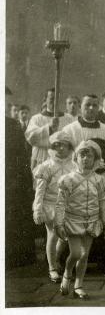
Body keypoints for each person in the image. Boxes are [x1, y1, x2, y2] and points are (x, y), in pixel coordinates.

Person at [62, 94, 105, 276]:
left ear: (99, 108)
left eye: (94, 106)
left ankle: (103, 262)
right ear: (81, 107)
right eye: (87, 105)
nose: (91, 109)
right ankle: (70, 262)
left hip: (100, 180)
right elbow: (64, 154)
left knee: (102, 217)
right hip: (77, 180)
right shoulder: (70, 129)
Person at [55, 140, 105, 299]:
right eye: (82, 155)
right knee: (76, 253)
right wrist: (59, 223)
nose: (86, 159)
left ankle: (79, 285)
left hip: (92, 222)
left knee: (85, 254)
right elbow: (60, 203)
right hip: (73, 221)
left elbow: (103, 202)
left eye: (90, 156)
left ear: (96, 159)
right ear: (76, 158)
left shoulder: (99, 179)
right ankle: (67, 274)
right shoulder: (68, 179)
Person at [32, 131, 78, 282]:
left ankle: (56, 260)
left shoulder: (74, 165)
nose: (60, 149)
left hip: (68, 205)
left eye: (64, 145)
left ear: (69, 146)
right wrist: (37, 209)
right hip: (50, 205)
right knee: (52, 235)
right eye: (56, 146)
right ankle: (52, 268)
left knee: (65, 237)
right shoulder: (47, 166)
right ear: (52, 147)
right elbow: (40, 190)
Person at [5, 86, 37, 268]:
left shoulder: (12, 125)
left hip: (10, 179)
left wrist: (21, 180)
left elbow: (21, 156)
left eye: (7, 104)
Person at [25, 88, 76, 171]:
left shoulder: (69, 118)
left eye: (57, 99)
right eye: (52, 99)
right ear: (45, 100)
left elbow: (74, 140)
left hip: (64, 159)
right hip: (42, 156)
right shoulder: (36, 118)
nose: (55, 102)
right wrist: (48, 128)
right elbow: (30, 138)